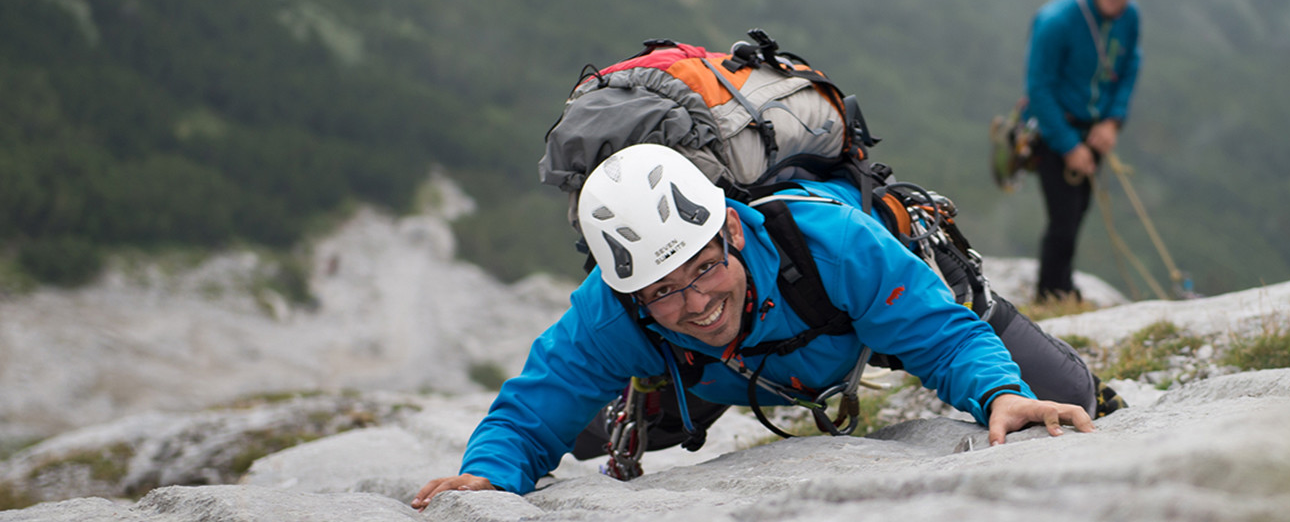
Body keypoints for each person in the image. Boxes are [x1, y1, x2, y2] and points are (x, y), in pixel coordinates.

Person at [414, 144, 1098, 509]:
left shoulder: (828, 242)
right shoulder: (614, 308)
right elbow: (533, 408)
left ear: (733, 227)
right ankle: (644, 400)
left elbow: (942, 336)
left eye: (704, 268)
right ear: (630, 293)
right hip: (712, 373)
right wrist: (492, 476)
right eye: (664, 291)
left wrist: (999, 394)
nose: (695, 301)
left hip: (853, 324)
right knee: (586, 436)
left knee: (1064, 397)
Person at [1025, 0, 1149, 302]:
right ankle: (1052, 292)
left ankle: (1061, 288)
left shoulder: (1130, 18)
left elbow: (1129, 67)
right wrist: (1067, 145)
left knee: (1078, 211)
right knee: (1063, 220)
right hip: (1053, 131)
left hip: (1093, 132)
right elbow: (1039, 89)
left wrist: (1113, 121)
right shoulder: (1056, 21)